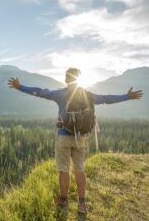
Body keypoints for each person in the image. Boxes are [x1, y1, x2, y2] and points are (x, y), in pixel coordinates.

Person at [7, 68, 143, 214]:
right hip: (81, 137)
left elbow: (40, 92)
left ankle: (64, 201)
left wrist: (19, 86)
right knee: (80, 169)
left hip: (64, 136)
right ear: (79, 78)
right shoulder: (88, 95)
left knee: (63, 170)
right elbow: (107, 99)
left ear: (66, 80)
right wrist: (127, 96)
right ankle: (82, 204)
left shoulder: (60, 94)